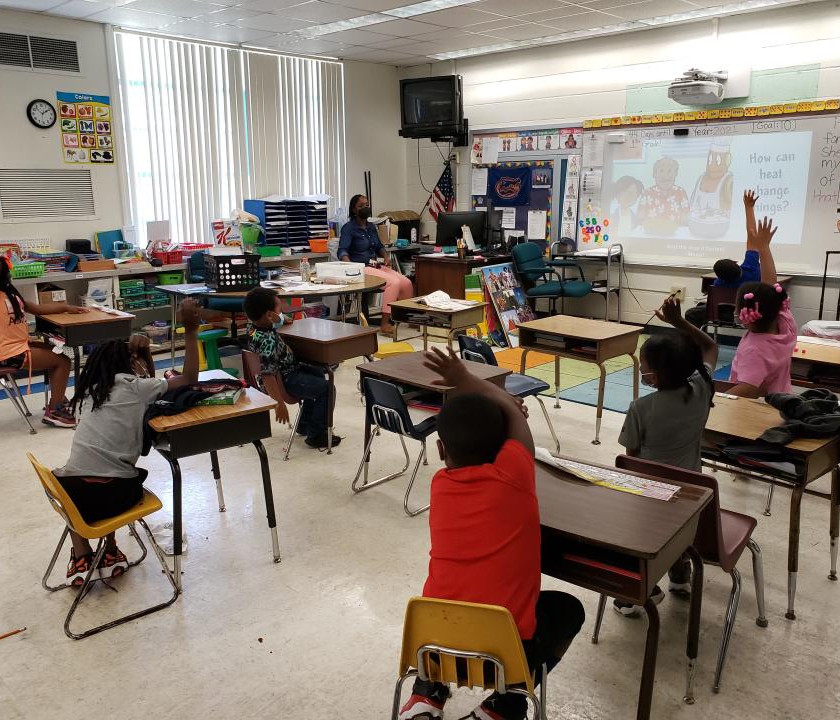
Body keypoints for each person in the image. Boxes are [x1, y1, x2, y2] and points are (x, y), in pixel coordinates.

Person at [398, 348, 584, 720]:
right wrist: (468, 379)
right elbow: (514, 413)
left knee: (453, 612)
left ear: (440, 449)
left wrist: (468, 388)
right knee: (568, 610)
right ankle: (505, 704)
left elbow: (509, 415)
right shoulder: (514, 476)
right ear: (505, 449)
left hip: (434, 646)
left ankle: (425, 695)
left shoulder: (439, 486)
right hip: (501, 656)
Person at [53, 299, 201, 586]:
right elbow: (189, 378)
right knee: (115, 478)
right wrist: (190, 331)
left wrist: (140, 356)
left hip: (71, 495)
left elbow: (148, 386)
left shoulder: (88, 393)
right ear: (130, 365)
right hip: (115, 494)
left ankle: (82, 556)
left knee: (76, 480)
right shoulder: (134, 387)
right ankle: (108, 550)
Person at [616, 294, 718, 614]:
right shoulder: (702, 388)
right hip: (691, 493)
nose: (642, 371)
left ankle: (636, 594)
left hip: (649, 496)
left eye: (644, 367)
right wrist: (679, 322)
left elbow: (631, 461)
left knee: (642, 537)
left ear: (654, 377)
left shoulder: (640, 408)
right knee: (680, 533)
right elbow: (711, 348)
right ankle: (680, 578)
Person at [0, 216, 86, 428]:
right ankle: (55, 410)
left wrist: (66, 307)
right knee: (63, 360)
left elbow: (36, 308)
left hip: (19, 347)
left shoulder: (6, 292)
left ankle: (55, 401)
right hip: (9, 353)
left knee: (54, 352)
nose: (6, 271)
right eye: (3, 269)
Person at [241, 287, 342, 449]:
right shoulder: (268, 340)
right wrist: (279, 404)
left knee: (317, 374)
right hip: (287, 379)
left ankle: (304, 424)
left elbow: (273, 321)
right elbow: (268, 375)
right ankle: (317, 434)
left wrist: (280, 319)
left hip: (288, 371)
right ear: (269, 315)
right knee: (327, 388)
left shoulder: (253, 328)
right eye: (278, 309)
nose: (281, 311)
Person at [728, 216, 796, 398]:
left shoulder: (755, 349)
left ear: (744, 314)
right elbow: (770, 284)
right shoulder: (785, 324)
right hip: (783, 399)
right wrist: (764, 248)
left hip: (758, 409)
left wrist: (715, 402)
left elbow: (748, 390)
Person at [684, 190, 764, 328]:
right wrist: (748, 208)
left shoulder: (719, 284)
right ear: (735, 263)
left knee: (692, 312)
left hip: (721, 315)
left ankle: (698, 343)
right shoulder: (752, 269)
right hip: (746, 315)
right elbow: (752, 234)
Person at [338, 194, 414, 336]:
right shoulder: (348, 228)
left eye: (367, 205)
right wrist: (349, 266)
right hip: (360, 268)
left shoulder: (371, 227)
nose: (365, 208)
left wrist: (385, 257)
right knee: (394, 283)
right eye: (361, 206)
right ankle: (385, 324)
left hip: (374, 266)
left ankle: (407, 318)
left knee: (406, 283)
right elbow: (342, 250)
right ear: (354, 210)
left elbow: (379, 246)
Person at [637, 156, 689, 235]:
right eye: (661, 171)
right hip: (651, 235)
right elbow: (640, 217)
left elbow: (686, 217)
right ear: (654, 174)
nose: (666, 176)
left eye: (670, 171)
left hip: (675, 237)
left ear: (676, 174)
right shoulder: (647, 193)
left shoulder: (681, 192)